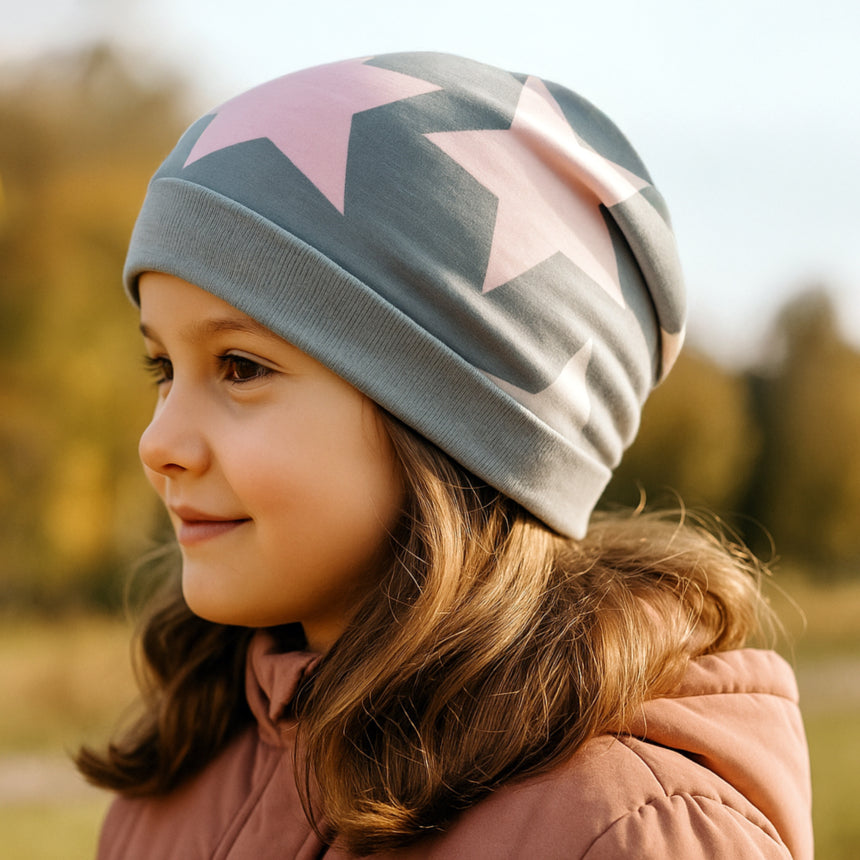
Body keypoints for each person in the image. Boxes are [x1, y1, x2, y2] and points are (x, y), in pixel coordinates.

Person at [77, 52, 812, 858]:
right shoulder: (171, 791)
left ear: (451, 426)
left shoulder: (622, 830)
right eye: (163, 368)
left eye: (241, 368)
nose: (159, 445)